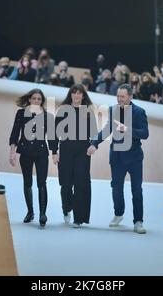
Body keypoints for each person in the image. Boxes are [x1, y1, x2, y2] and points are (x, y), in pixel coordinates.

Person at [87, 84, 149, 234]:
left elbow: (145, 133)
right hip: (117, 156)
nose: (119, 99)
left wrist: (127, 129)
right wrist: (95, 143)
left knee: (137, 190)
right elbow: (107, 129)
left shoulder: (139, 112)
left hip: (134, 157)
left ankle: (138, 221)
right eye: (118, 96)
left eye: (123, 96)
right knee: (116, 187)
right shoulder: (112, 109)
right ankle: (118, 214)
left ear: (130, 97)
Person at [9, 89, 57, 227]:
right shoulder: (21, 114)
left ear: (42, 101)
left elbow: (52, 136)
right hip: (25, 152)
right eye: (34, 98)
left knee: (42, 183)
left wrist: (55, 152)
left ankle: (43, 214)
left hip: (41, 152)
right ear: (29, 99)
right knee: (27, 182)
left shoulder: (48, 117)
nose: (36, 101)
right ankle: (30, 212)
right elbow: (15, 133)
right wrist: (12, 152)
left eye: (39, 99)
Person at [55, 84, 97, 228]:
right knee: (65, 184)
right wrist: (54, 152)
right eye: (74, 93)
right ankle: (67, 208)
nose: (77, 95)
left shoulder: (88, 112)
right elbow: (55, 133)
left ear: (83, 96)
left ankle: (78, 218)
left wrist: (94, 145)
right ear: (71, 95)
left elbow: (94, 133)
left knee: (81, 184)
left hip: (82, 152)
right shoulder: (62, 110)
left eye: (79, 93)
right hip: (66, 150)